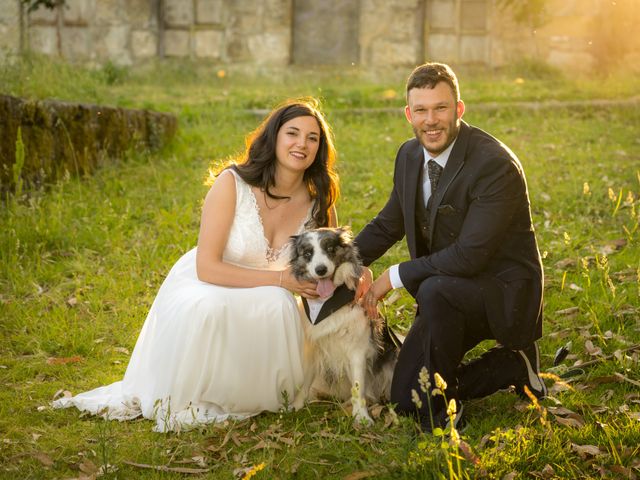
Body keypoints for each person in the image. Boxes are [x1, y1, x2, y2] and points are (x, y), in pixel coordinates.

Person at [53, 98, 339, 432]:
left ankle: (261, 396)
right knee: (212, 306)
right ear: (274, 137)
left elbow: (334, 259)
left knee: (277, 305)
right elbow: (208, 267)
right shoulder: (232, 184)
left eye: (312, 138)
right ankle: (200, 394)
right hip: (209, 280)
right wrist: (281, 280)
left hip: (269, 292)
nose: (301, 144)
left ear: (319, 149)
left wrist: (358, 280)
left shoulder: (320, 198)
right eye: (292, 133)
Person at [354, 63, 546, 431]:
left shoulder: (494, 165)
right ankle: (510, 366)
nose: (431, 120)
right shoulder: (409, 156)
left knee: (434, 288)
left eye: (441, 108)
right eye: (421, 110)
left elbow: (471, 255)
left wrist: (392, 277)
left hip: (501, 292)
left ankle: (442, 411)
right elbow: (387, 224)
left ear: (459, 109)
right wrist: (339, 265)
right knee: (405, 398)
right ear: (408, 114)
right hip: (445, 292)